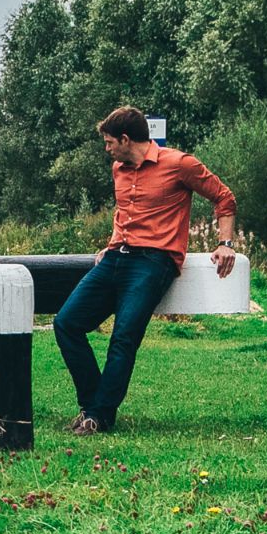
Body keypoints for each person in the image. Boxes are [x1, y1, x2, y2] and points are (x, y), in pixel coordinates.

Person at [52, 105, 239, 436]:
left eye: (109, 142)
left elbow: (224, 198)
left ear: (125, 139)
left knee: (124, 336)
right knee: (66, 322)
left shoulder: (180, 164)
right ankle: (91, 405)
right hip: (115, 258)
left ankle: (99, 416)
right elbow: (124, 210)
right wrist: (112, 242)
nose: (107, 149)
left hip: (153, 262)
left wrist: (226, 243)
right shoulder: (118, 169)